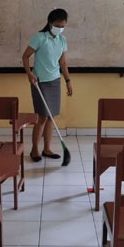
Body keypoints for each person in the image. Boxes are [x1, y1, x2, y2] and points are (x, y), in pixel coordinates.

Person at [22, 9, 73, 162]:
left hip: (55, 81)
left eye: (63, 25)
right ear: (50, 23)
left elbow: (63, 63)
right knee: (42, 117)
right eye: (58, 25)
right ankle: (34, 150)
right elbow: (25, 57)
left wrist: (68, 81)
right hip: (40, 82)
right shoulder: (39, 38)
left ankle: (47, 149)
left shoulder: (62, 40)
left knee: (51, 117)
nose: (60, 28)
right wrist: (30, 74)